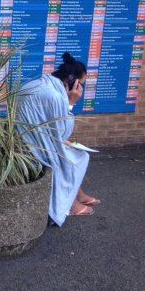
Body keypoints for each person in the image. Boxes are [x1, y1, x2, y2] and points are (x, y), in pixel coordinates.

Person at [16, 52, 100, 227]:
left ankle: (79, 195)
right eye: (80, 85)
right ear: (71, 82)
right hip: (34, 145)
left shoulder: (40, 84)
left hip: (25, 137)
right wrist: (71, 102)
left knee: (72, 151)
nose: (81, 89)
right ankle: (70, 204)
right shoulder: (55, 96)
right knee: (79, 157)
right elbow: (63, 132)